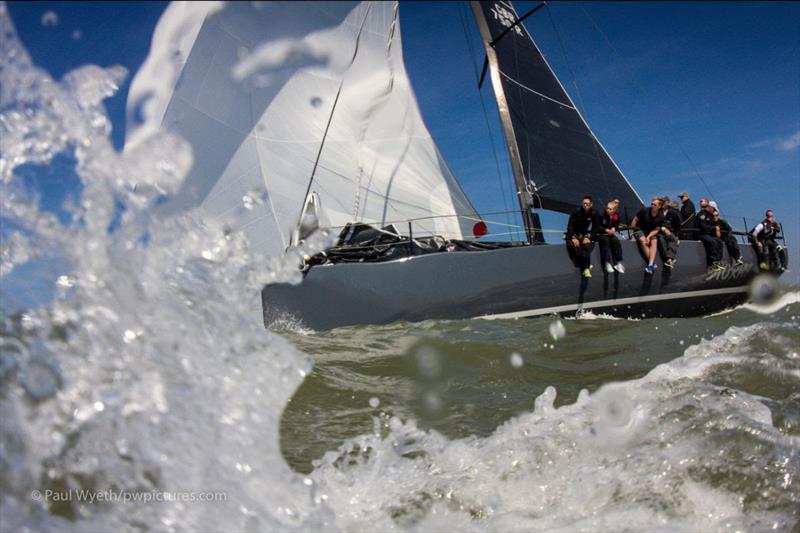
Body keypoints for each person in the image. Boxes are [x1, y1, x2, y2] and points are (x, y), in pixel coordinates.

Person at [566, 195, 599, 278]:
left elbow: (595, 228)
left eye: (587, 204)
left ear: (591, 204)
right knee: (574, 247)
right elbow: (570, 226)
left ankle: (586, 269)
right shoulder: (576, 212)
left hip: (583, 235)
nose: (585, 205)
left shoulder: (594, 213)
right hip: (572, 234)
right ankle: (586, 267)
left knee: (586, 247)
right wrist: (573, 238)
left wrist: (589, 238)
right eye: (584, 203)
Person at [629, 196, 664, 275]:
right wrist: (631, 231)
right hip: (639, 229)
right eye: (652, 204)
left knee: (654, 241)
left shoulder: (661, 216)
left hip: (651, 232)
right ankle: (652, 263)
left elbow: (657, 229)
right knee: (643, 241)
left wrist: (648, 237)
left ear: (659, 206)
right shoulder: (644, 211)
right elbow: (635, 220)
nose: (652, 206)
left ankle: (650, 265)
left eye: (655, 205)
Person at [597, 199, 625, 273]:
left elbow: (616, 225)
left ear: (614, 210)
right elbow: (598, 226)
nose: (608, 210)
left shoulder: (616, 216)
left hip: (610, 234)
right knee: (605, 241)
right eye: (607, 208)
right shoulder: (601, 215)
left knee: (616, 241)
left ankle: (618, 263)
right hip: (601, 234)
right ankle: (607, 263)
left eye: (610, 209)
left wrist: (614, 228)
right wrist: (606, 230)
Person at [696, 199, 724, 270]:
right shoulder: (701, 214)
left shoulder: (711, 215)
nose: (711, 209)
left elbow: (716, 224)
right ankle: (712, 262)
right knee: (712, 242)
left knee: (719, 242)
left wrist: (716, 219)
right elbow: (703, 226)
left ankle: (718, 261)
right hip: (702, 234)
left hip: (709, 234)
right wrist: (714, 228)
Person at [658, 197, 681, 269]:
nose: (662, 204)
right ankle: (668, 259)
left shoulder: (673, 212)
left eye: (663, 202)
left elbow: (677, 225)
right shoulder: (658, 211)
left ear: (667, 202)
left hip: (670, 232)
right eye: (661, 202)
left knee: (673, 239)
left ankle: (669, 259)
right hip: (659, 231)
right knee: (661, 239)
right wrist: (663, 228)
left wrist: (677, 236)